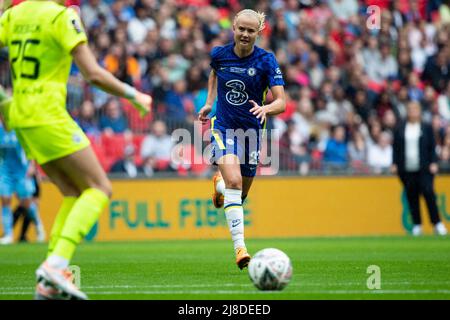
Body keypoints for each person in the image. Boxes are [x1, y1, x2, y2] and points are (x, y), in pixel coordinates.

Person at [0, 0, 151, 300]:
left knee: (73, 191)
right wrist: (134, 95)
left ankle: (51, 277)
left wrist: (5, 102)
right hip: (49, 115)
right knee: (100, 187)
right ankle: (55, 265)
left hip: (21, 116)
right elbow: (92, 74)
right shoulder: (61, 16)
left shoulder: (13, 15)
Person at [198, 9, 286, 270]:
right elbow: (214, 73)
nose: (245, 34)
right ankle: (240, 248)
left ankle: (220, 187)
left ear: (259, 32)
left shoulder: (267, 61)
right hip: (223, 128)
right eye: (241, 29)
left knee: (240, 193)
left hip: (252, 133)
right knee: (235, 181)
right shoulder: (219, 55)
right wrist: (209, 103)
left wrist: (265, 109)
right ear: (233, 27)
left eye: (251, 31)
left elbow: (281, 101)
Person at [392, 101, 447, 236]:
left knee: (429, 194)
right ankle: (417, 224)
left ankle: (437, 223)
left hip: (424, 168)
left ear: (419, 111)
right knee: (412, 196)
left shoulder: (426, 127)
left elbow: (431, 147)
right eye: (410, 109)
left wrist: (433, 162)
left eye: (415, 109)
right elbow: (396, 148)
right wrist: (394, 163)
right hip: (407, 168)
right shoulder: (400, 128)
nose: (412, 112)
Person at [0, 124, 44, 245]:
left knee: (26, 203)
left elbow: (30, 148)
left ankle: (38, 225)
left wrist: (32, 166)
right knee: (5, 201)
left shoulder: (18, 130)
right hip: (5, 172)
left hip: (22, 172)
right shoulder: (0, 131)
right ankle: (8, 235)